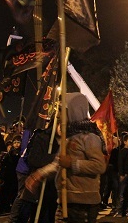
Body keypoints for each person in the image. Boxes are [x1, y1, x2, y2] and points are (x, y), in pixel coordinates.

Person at [25, 92, 107, 222]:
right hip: (65, 201)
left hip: (83, 205)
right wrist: (39, 174)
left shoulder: (90, 138)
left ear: (73, 111)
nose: (58, 115)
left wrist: (72, 164)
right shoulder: (68, 138)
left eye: (61, 110)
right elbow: (59, 162)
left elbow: (99, 165)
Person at [0, 135, 21, 213]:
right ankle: (4, 206)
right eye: (15, 142)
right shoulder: (10, 153)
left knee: (14, 192)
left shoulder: (21, 153)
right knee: (5, 191)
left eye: (18, 142)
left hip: (16, 175)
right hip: (8, 175)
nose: (16, 144)